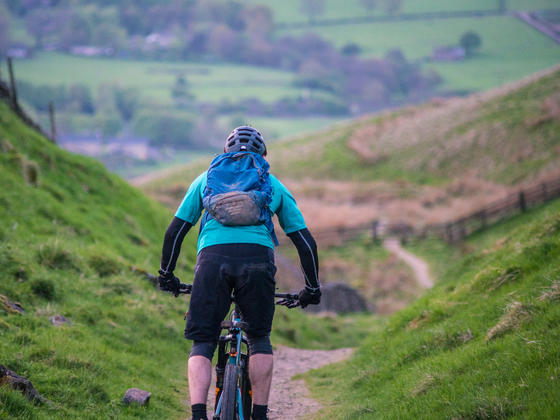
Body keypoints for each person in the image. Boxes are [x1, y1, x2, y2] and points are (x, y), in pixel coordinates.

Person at [157, 126, 321, 420]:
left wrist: (166, 275)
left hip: (212, 260)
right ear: (262, 156)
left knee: (203, 341)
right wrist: (312, 288)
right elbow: (304, 242)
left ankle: (197, 415)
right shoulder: (271, 184)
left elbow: (174, 233)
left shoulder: (205, 180)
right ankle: (258, 414)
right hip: (257, 260)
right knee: (259, 337)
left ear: (226, 153)